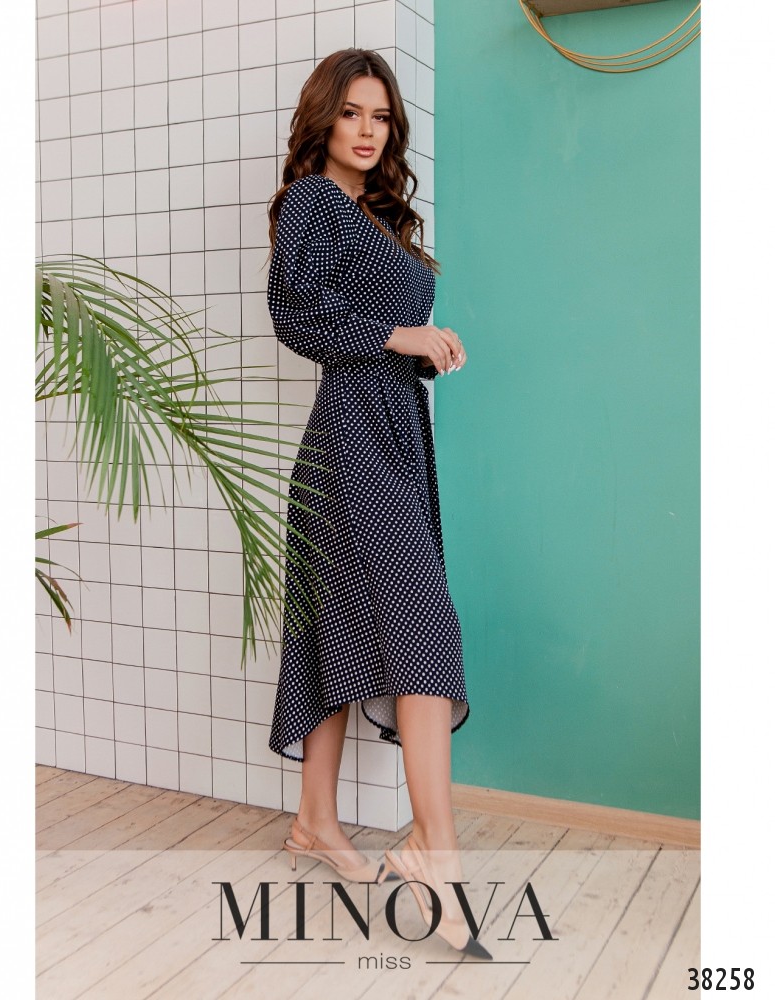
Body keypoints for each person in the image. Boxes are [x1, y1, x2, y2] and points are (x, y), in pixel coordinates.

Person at [265, 49, 490, 960]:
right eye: (352, 112)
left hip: (396, 433)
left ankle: (314, 822)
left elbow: (375, 324)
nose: (367, 130)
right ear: (323, 119)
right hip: (348, 442)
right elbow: (295, 316)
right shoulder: (313, 203)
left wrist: (427, 345)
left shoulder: (379, 216)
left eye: (382, 116)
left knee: (342, 630)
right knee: (422, 627)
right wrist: (402, 333)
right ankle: (437, 848)